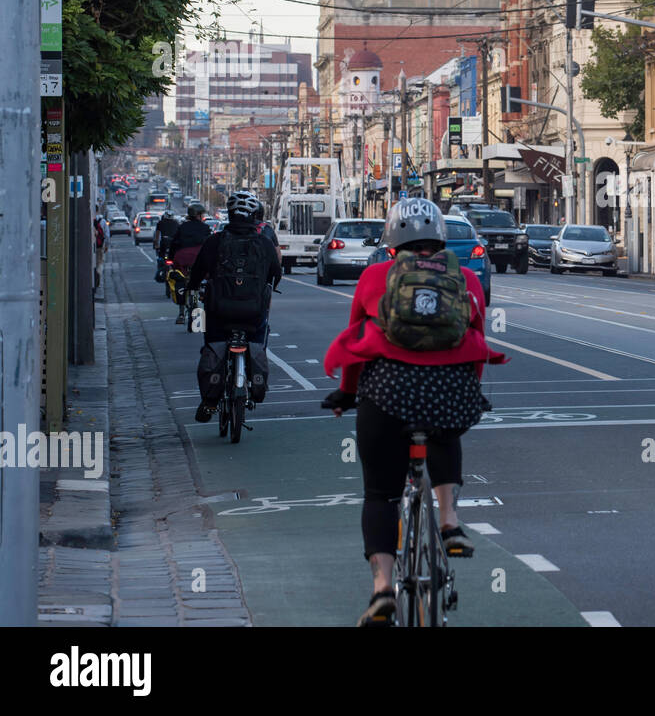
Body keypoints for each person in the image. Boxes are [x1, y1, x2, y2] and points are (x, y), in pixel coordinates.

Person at [322, 197, 505, 627]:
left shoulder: (373, 277)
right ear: (439, 238)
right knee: (444, 430)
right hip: (449, 392)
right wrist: (465, 393)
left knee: (380, 493)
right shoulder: (466, 282)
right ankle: (449, 521)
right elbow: (475, 346)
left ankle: (382, 589)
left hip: (386, 394)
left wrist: (348, 395)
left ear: (392, 241)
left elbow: (355, 347)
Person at [187, 191, 282, 422]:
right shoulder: (265, 243)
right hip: (254, 313)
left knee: (211, 346)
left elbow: (197, 273)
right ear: (254, 216)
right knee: (259, 339)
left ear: (229, 215)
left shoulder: (215, 241)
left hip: (219, 313)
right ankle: (254, 379)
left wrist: (191, 288)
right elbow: (276, 275)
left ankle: (209, 401)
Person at [167, 203, 212, 324]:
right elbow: (210, 245)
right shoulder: (205, 228)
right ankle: (202, 297)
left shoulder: (182, 227)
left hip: (182, 258)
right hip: (199, 258)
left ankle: (181, 314)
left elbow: (174, 244)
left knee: (181, 282)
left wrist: (170, 259)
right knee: (205, 279)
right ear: (198, 215)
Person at [153, 210, 179, 282]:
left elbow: (157, 236)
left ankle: (159, 273)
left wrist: (156, 245)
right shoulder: (176, 223)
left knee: (160, 259)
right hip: (174, 246)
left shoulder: (160, 223)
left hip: (164, 245)